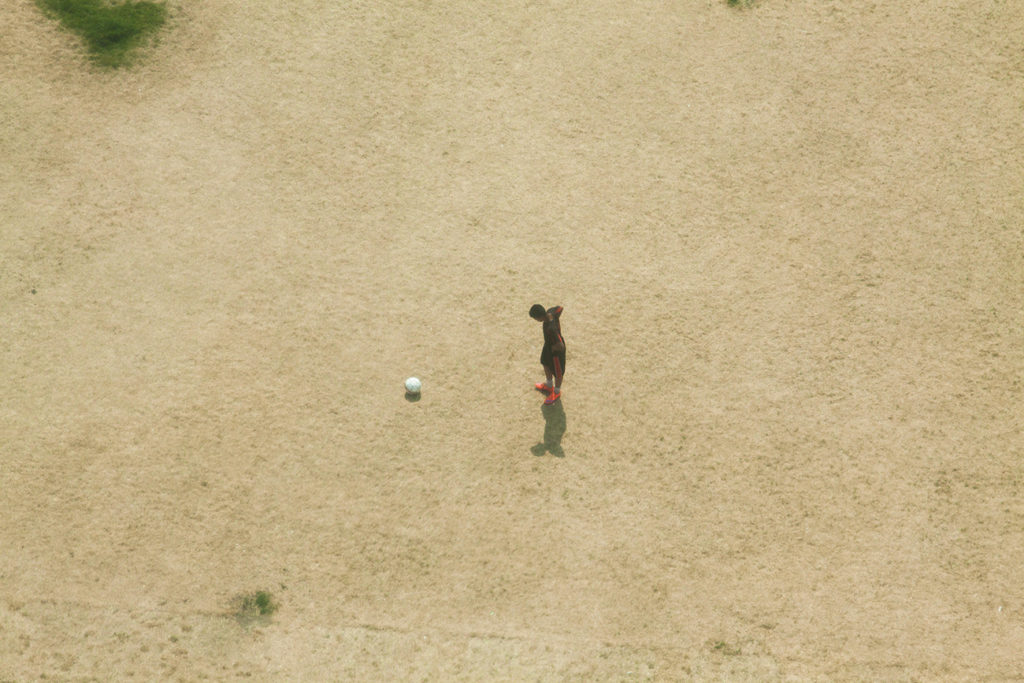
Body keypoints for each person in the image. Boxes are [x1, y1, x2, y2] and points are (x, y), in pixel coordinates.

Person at [529, 303, 565, 405]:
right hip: (548, 346)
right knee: (544, 362)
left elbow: (560, 346)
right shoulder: (551, 312)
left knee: (558, 373)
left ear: (539, 318)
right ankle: (549, 385)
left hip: (556, 352)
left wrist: (554, 348)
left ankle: (556, 392)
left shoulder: (551, 329)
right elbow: (560, 308)